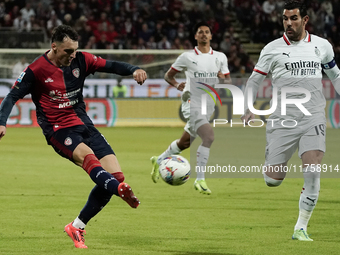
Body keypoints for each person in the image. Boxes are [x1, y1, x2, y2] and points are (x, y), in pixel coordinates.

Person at [0, 25, 147, 249]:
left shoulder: (82, 60)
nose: (72, 55)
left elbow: (112, 65)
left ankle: (76, 226)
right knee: (91, 161)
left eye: (75, 50)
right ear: (54, 47)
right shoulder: (36, 69)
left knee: (116, 175)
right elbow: (11, 96)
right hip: (58, 129)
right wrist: (2, 121)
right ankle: (118, 191)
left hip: (84, 124)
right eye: (68, 51)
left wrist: (133, 69)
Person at [241, 1, 340, 241]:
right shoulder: (272, 49)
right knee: (272, 180)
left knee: (313, 170)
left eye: (293, 18)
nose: (288, 23)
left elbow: (335, 74)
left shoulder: (322, 46)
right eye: (285, 19)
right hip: (283, 120)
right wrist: (247, 106)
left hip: (314, 117)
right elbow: (254, 81)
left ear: (305, 20)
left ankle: (301, 228)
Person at [150, 21, 231, 195]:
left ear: (211, 36)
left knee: (185, 142)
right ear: (195, 36)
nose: (203, 34)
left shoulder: (220, 57)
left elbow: (227, 81)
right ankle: (200, 179)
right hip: (191, 102)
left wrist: (221, 78)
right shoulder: (187, 57)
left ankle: (159, 160)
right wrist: (177, 85)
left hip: (208, 104)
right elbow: (168, 75)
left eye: (206, 32)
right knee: (208, 137)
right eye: (200, 32)